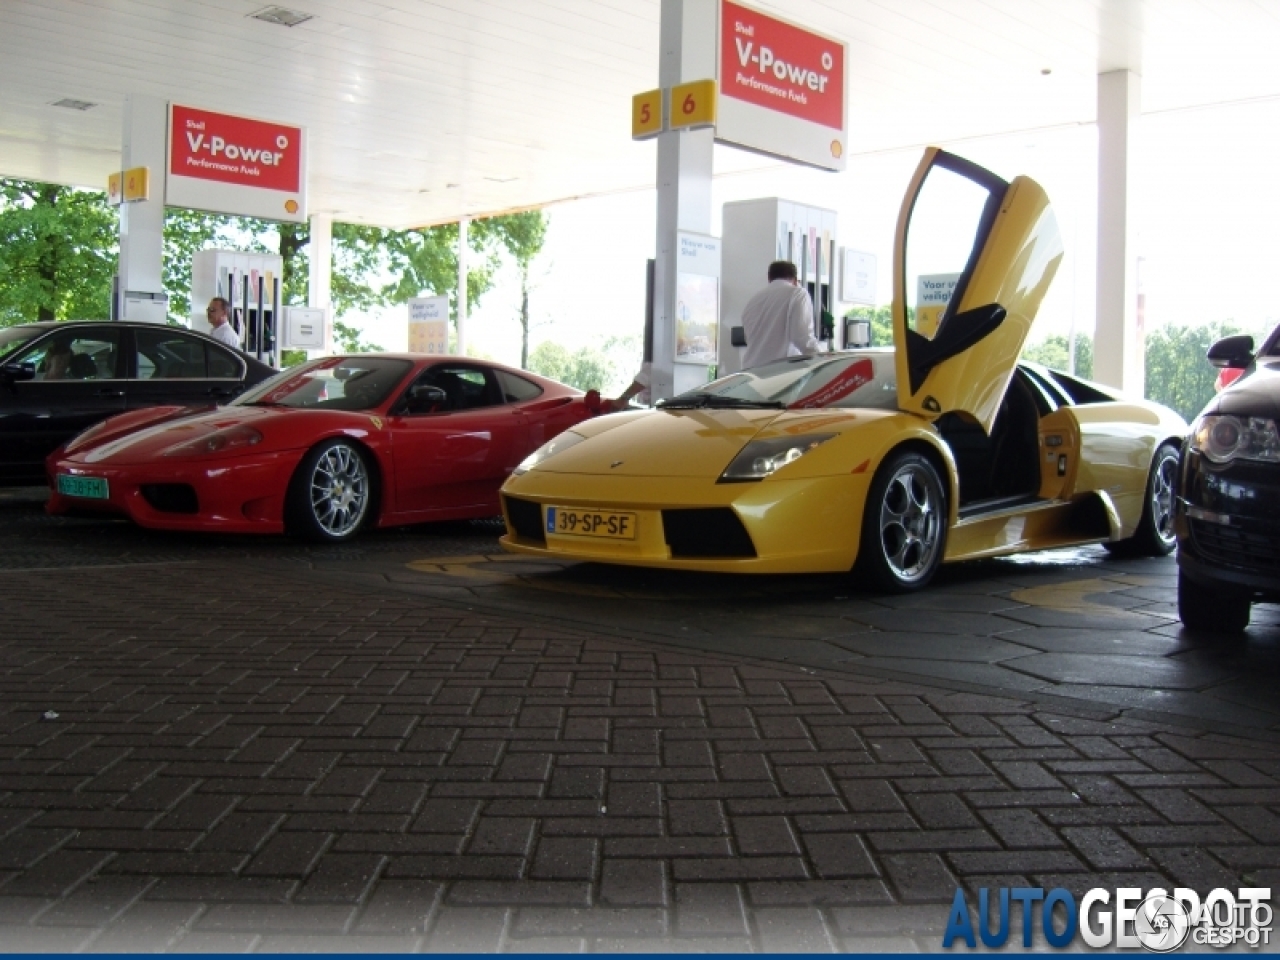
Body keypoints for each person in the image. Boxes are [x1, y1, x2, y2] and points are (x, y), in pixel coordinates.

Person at [739, 260, 824, 369]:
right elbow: (802, 337)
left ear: (769, 278)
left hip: (751, 370)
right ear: (795, 279)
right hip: (780, 373)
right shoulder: (797, 293)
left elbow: (749, 338)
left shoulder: (753, 300)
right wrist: (823, 360)